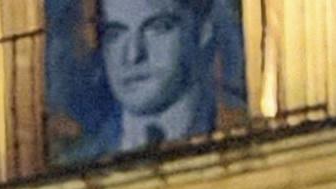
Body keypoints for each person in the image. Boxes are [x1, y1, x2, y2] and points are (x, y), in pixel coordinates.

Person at [72, 0, 231, 151]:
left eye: (157, 28)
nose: (133, 55)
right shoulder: (81, 160)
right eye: (115, 34)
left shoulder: (229, 128)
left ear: (203, 31)